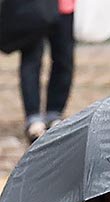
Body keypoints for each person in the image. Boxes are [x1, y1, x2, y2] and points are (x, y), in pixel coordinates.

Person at [17, 0, 75, 142]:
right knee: (32, 59)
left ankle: (54, 114)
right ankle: (33, 117)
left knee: (64, 60)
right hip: (33, 7)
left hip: (64, 7)